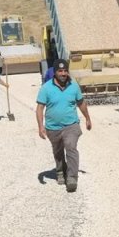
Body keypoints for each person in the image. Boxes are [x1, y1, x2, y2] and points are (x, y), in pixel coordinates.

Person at [35, 59, 92, 192]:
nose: (63, 73)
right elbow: (39, 108)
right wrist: (40, 127)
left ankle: (72, 178)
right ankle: (60, 171)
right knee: (58, 151)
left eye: (65, 70)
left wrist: (88, 118)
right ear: (55, 72)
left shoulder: (74, 86)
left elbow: (81, 103)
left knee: (71, 147)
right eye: (60, 71)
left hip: (71, 125)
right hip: (52, 127)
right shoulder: (46, 88)